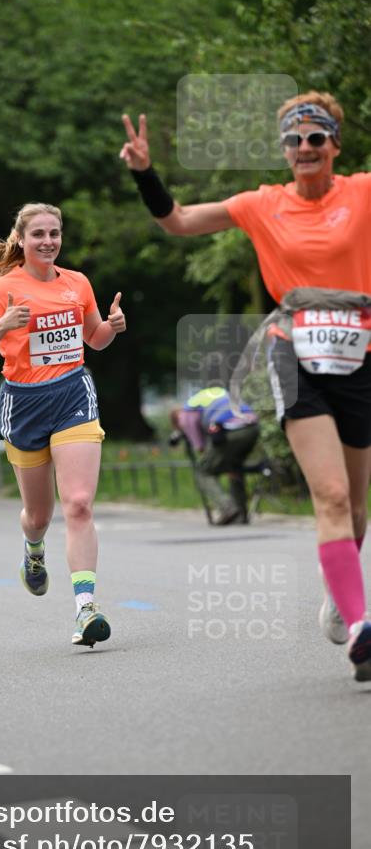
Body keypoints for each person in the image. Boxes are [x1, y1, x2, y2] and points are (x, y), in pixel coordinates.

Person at [121, 92, 371, 682]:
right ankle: (362, 628)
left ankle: (341, 596)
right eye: (294, 140)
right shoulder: (263, 205)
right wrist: (144, 174)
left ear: (334, 145)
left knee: (357, 506)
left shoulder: (362, 192)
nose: (305, 148)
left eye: (316, 138)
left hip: (359, 351)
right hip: (295, 353)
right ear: (283, 150)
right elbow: (177, 221)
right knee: (331, 495)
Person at [0, 203, 126, 647]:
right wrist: (4, 326)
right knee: (39, 516)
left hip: (74, 394)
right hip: (25, 404)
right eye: (39, 234)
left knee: (78, 504)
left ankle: (85, 608)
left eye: (55, 233)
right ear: (22, 240)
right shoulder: (4, 289)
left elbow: (94, 340)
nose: (48, 241)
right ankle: (33, 552)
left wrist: (111, 326)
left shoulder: (78, 283)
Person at [170, 388, 260, 524]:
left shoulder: (186, 413)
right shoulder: (211, 395)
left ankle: (227, 507)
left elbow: (200, 446)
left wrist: (198, 445)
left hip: (229, 429)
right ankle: (241, 514)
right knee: (234, 467)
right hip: (252, 426)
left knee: (203, 471)